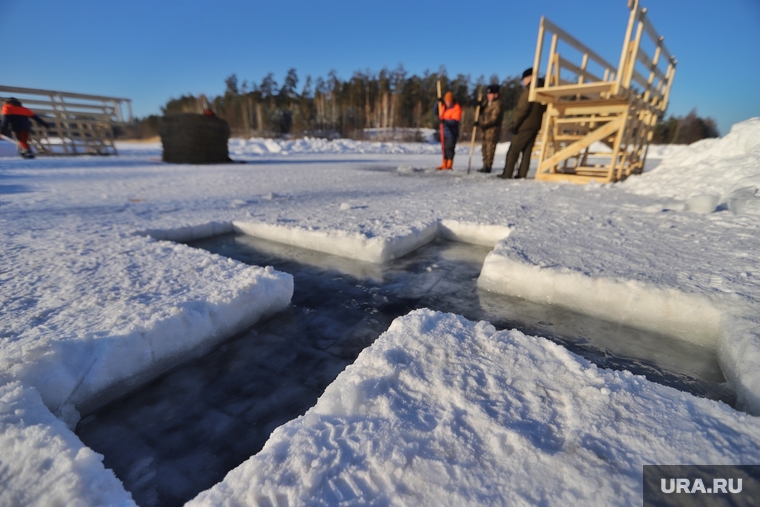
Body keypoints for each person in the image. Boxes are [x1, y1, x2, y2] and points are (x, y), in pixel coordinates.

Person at [498, 68, 546, 179]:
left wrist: (515, 124)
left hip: (525, 125)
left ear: (530, 77)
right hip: (536, 125)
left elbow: (522, 109)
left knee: (513, 151)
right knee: (527, 151)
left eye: (524, 79)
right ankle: (522, 174)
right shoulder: (542, 90)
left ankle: (507, 173)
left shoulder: (529, 91)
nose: (523, 82)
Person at [476, 84, 503, 173]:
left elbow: (494, 119)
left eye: (490, 94)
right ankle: (485, 164)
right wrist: (480, 106)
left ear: (496, 95)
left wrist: (481, 124)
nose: (488, 96)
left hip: (492, 131)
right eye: (488, 94)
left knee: (489, 149)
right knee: (484, 148)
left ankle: (488, 166)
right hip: (485, 131)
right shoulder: (487, 104)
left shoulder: (497, 104)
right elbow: (482, 113)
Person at [434, 91, 462, 170]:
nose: (447, 103)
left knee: (450, 148)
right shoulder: (442, 106)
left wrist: (444, 121)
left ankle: (449, 165)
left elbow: (455, 121)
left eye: (449, 101)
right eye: (446, 101)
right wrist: (437, 103)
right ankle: (444, 164)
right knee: (444, 148)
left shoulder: (456, 107)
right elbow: (435, 112)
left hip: (452, 133)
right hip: (443, 132)